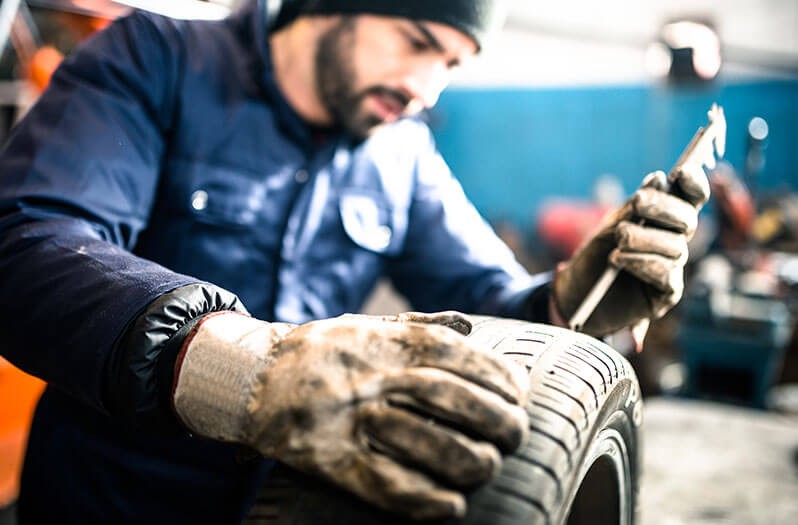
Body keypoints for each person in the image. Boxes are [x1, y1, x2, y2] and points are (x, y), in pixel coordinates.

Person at [0, 0, 709, 522]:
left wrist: (570, 302)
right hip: (111, 499)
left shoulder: (402, 155)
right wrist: (249, 369)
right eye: (416, 42)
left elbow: (491, 300)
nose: (426, 88)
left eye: (452, 66)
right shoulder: (155, 60)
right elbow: (27, 241)